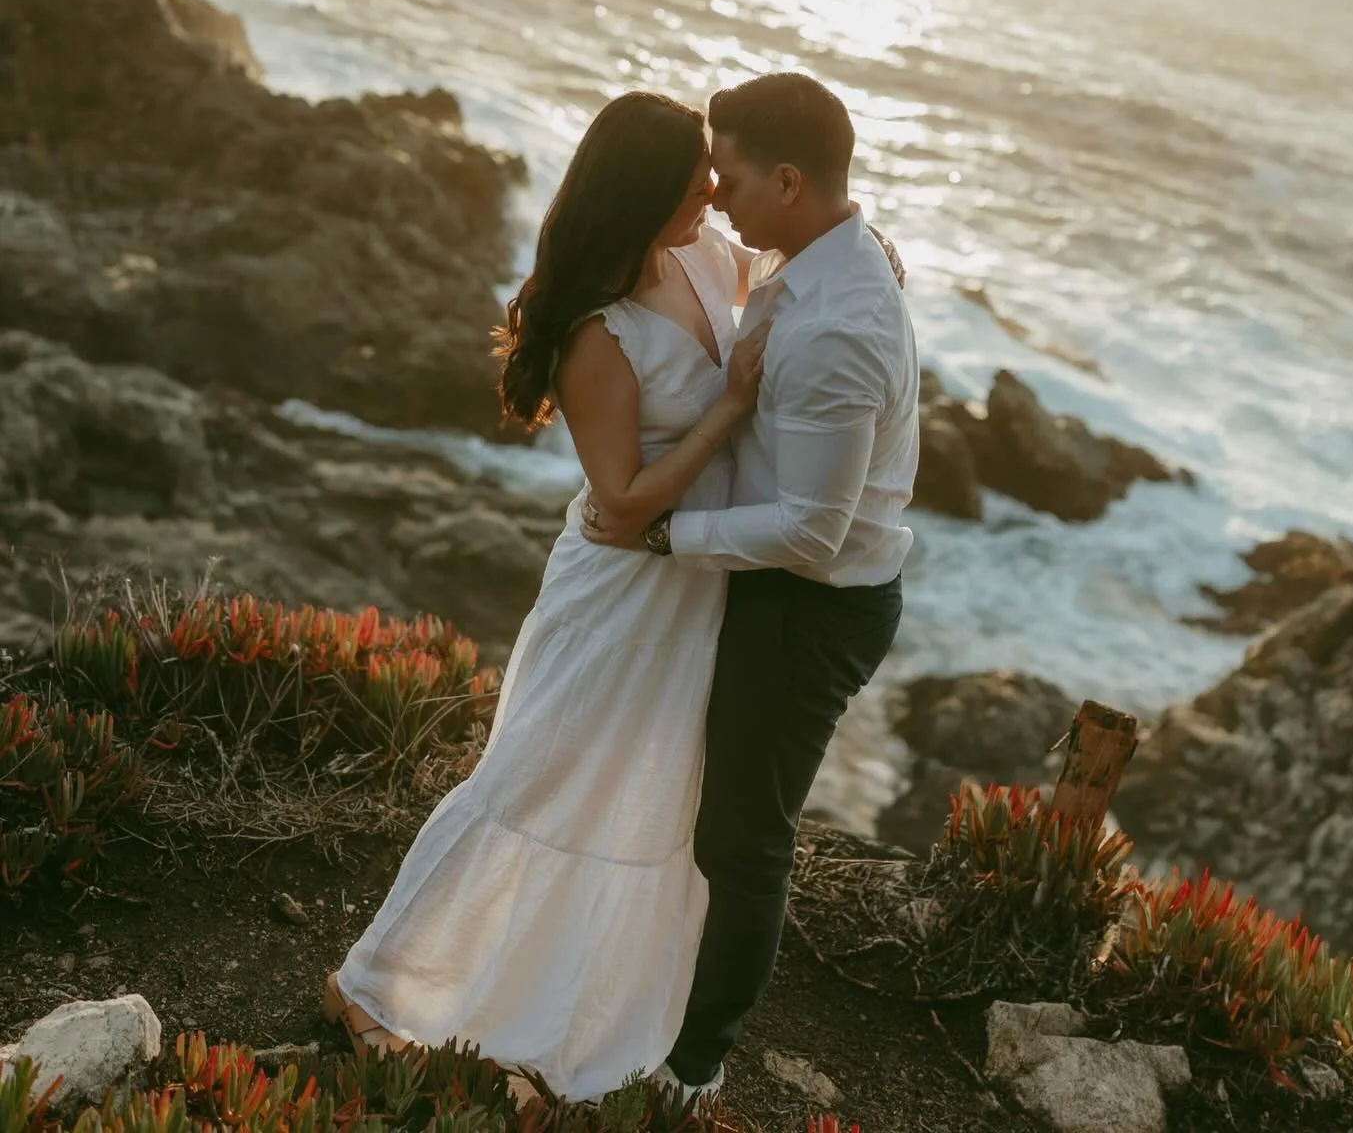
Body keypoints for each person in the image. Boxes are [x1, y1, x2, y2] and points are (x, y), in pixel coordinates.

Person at [324, 90, 771, 1100]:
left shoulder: (703, 255)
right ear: (641, 195)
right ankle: (375, 984)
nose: (713, 190)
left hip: (692, 592)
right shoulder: (595, 333)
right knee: (534, 781)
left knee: (645, 798)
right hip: (618, 592)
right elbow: (623, 498)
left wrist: (860, 253)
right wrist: (733, 409)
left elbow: (776, 268)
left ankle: (562, 1012)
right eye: (693, 178)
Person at [583, 72, 920, 1101]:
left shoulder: (835, 328)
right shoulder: (817, 257)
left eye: (727, 179)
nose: (714, 197)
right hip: (769, 582)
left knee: (745, 841)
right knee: (707, 812)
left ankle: (694, 1068)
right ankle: (650, 997)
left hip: (810, 604)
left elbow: (814, 532)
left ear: (788, 182)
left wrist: (664, 535)